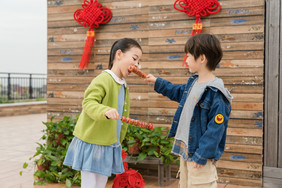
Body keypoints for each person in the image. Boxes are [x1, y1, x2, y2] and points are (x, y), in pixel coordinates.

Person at [145, 34, 232, 188]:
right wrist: (157, 82)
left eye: (189, 56)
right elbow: (177, 91)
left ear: (202, 59)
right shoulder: (193, 82)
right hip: (186, 152)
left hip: (199, 156)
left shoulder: (216, 93)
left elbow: (216, 129)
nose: (186, 60)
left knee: (201, 184)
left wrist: (202, 154)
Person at [63, 38, 142, 188]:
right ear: (119, 54)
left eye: (139, 62)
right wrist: (104, 110)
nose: (137, 65)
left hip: (108, 143)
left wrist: (118, 139)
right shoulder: (103, 79)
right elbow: (89, 102)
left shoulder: (123, 85)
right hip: (92, 142)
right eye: (134, 59)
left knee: (101, 183)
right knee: (90, 184)